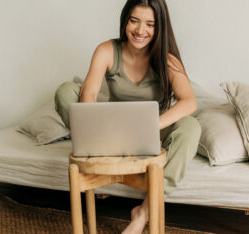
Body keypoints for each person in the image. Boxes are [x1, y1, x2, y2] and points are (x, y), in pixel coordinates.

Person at [55, 0, 200, 233]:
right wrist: (92, 125)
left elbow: (189, 102)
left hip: (152, 130)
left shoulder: (167, 58)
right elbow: (89, 93)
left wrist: (152, 125)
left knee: (191, 127)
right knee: (65, 91)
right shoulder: (106, 50)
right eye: (134, 21)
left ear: (159, 27)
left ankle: (144, 211)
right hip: (111, 130)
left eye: (150, 24)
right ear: (125, 20)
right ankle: (97, 152)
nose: (140, 31)